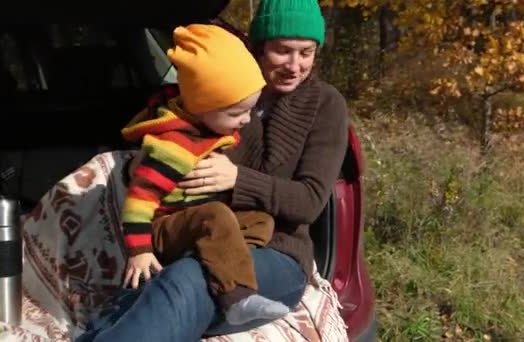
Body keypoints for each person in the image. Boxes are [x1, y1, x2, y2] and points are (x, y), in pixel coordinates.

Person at [75, 0, 349, 341]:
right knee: (131, 302)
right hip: (197, 238)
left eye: (306, 53)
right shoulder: (217, 89)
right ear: (259, 47)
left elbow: (310, 201)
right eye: (283, 51)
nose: (295, 65)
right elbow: (169, 147)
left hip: (277, 254)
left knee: (187, 280)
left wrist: (238, 180)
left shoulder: (326, 104)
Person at [119, 23, 289, 325]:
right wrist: (140, 251)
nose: (245, 120)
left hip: (190, 218)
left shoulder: (208, 125)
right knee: (215, 215)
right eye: (236, 113)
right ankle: (236, 298)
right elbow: (138, 200)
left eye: (249, 110)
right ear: (202, 106)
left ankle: (213, 258)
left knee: (260, 219)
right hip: (161, 227)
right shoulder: (174, 146)